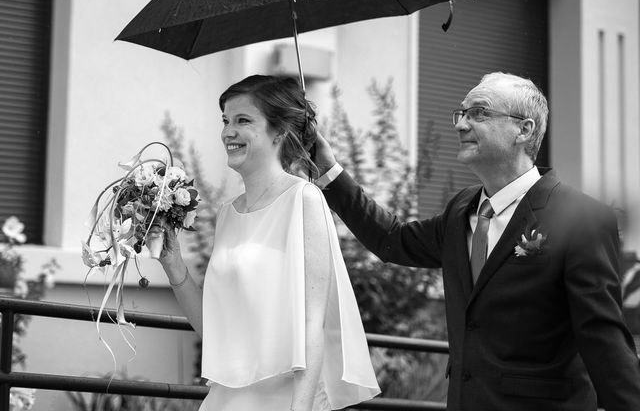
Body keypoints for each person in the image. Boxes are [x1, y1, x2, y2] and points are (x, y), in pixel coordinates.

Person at [313, 72, 640, 411]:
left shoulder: (582, 217)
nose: (461, 124)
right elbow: (392, 239)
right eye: (462, 113)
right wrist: (329, 171)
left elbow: (604, 341)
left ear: (524, 130)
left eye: (479, 113)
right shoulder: (460, 210)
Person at [148, 75, 379, 411]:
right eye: (226, 120)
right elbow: (216, 333)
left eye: (243, 120)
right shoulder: (228, 213)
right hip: (227, 398)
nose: (228, 131)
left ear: (279, 133)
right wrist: (174, 265)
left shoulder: (304, 199)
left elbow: (313, 324)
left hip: (285, 398)